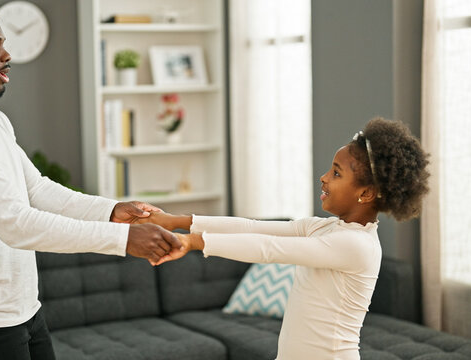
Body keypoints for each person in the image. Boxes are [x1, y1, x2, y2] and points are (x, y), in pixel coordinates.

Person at [0, 1, 180, 359]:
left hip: (20, 307)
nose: (7, 55)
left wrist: (110, 210)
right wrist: (123, 239)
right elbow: (18, 225)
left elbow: (36, 189)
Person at [138, 117, 430, 360]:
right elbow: (254, 228)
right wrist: (175, 221)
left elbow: (269, 249)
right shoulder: (328, 229)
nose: (324, 177)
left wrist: (195, 242)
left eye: (337, 174)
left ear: (365, 194)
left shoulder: (355, 246)